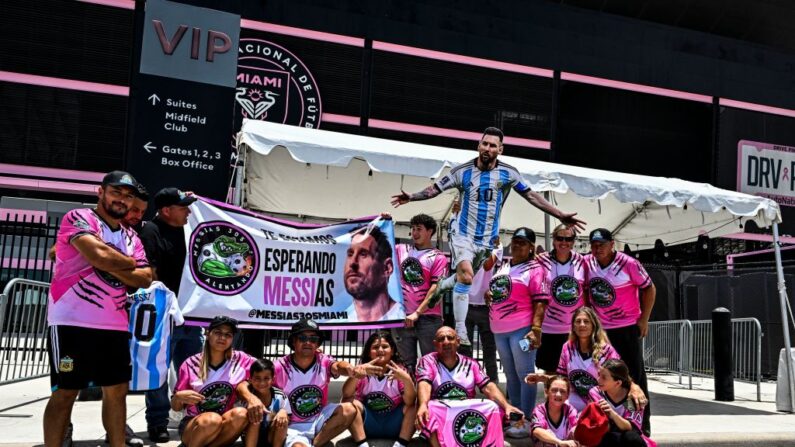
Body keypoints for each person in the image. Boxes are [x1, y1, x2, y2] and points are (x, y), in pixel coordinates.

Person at [391, 126, 585, 346]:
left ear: (500, 149)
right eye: (484, 143)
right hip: (462, 235)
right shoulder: (462, 172)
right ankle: (461, 331)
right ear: (478, 146)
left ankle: (448, 283)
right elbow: (435, 188)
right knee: (466, 276)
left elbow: (531, 196)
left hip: (487, 241)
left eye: (493, 145)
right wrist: (412, 197)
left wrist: (560, 214)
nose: (487, 148)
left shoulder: (508, 174)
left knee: (464, 278)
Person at [44, 170, 152, 447]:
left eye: (128, 196)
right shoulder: (79, 218)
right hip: (71, 322)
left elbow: (146, 278)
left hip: (114, 325)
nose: (122, 200)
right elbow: (98, 256)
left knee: (117, 392)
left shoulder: (131, 236)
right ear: (100, 192)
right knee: (65, 393)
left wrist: (114, 262)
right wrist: (128, 263)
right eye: (116, 192)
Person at [137, 187, 199, 442]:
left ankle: (191, 416)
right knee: (158, 372)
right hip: (164, 314)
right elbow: (150, 272)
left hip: (190, 315)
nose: (189, 210)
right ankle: (158, 421)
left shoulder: (188, 229)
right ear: (165, 211)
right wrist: (165, 305)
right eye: (183, 206)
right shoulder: (151, 230)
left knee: (193, 369)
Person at [585, 228, 655, 434]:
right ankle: (610, 421)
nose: (598, 249)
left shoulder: (628, 263)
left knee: (634, 376)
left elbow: (649, 288)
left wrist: (644, 319)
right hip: (602, 330)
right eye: (594, 245)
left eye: (602, 244)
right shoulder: (588, 262)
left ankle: (642, 427)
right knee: (604, 375)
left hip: (626, 328)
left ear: (612, 244)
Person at [272, 318, 381, 447]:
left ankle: (315, 443)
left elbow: (338, 366)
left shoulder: (322, 360)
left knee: (348, 409)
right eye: (302, 338)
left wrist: (351, 369)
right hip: (292, 425)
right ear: (293, 341)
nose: (308, 342)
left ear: (318, 344)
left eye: (313, 339)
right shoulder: (279, 367)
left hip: (318, 419)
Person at [486, 227, 548, 437]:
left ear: (531, 247)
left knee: (525, 375)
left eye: (523, 242)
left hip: (521, 330)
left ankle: (527, 420)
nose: (517, 245)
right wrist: (489, 294)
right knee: (510, 375)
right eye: (515, 241)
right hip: (499, 330)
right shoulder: (504, 265)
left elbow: (540, 301)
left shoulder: (535, 268)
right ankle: (515, 416)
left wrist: (536, 328)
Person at [416, 326, 522, 447]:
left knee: (493, 406)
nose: (446, 342)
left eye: (450, 338)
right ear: (435, 344)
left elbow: (488, 387)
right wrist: (423, 404)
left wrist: (507, 405)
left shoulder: (471, 364)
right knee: (430, 407)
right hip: (442, 409)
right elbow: (424, 383)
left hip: (466, 408)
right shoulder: (427, 361)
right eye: (441, 339)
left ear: (458, 342)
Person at [525, 307, 645, 412]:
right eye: (578, 321)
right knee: (556, 405)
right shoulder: (568, 348)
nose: (582, 325)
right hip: (577, 397)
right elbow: (564, 379)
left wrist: (634, 387)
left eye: (586, 321)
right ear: (573, 326)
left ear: (594, 325)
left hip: (603, 400)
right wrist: (542, 378)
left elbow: (622, 376)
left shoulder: (606, 350)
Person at [171, 316, 255, 447]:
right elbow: (176, 408)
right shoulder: (191, 364)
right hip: (194, 424)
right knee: (211, 419)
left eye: (228, 335)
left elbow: (268, 370)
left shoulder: (240, 359)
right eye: (218, 332)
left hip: (223, 423)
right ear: (207, 333)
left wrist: (246, 389)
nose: (222, 337)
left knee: (241, 414)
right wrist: (177, 397)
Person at [392, 214, 448, 373]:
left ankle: (429, 397)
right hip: (402, 317)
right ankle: (409, 397)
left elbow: (436, 287)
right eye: (413, 229)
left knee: (431, 363)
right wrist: (386, 221)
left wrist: (417, 312)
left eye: (419, 229)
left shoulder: (438, 257)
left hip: (428, 318)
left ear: (430, 231)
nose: (415, 233)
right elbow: (379, 243)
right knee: (406, 364)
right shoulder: (401, 249)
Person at [342, 331, 417, 447]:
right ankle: (362, 444)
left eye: (385, 346)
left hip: (394, 425)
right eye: (375, 347)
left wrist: (407, 380)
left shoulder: (400, 370)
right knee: (349, 403)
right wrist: (356, 375)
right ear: (368, 352)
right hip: (369, 423)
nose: (380, 350)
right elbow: (346, 394)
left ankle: (401, 444)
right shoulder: (363, 369)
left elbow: (410, 402)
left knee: (415, 406)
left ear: (392, 351)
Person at [535, 224, 587, 373]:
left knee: (572, 370)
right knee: (550, 370)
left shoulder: (582, 261)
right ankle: (550, 397)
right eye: (560, 238)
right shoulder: (541, 261)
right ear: (553, 239)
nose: (564, 242)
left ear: (574, 241)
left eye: (569, 239)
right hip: (549, 327)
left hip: (574, 328)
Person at [344, 225, 404, 322]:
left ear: (387, 268)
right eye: (350, 254)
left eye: (363, 254)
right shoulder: (336, 322)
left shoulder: (403, 318)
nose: (352, 262)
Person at [589, 359, 654, 447]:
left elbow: (631, 427)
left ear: (617, 383)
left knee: (632, 437)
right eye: (599, 375)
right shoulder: (596, 392)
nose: (598, 380)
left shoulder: (631, 397)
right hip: (609, 436)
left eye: (604, 377)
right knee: (605, 438)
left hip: (626, 438)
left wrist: (612, 414)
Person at [240, 359, 291, 447]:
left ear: (273, 379)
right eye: (257, 378)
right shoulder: (246, 396)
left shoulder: (280, 396)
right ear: (250, 379)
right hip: (250, 435)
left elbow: (289, 418)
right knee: (256, 417)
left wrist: (283, 412)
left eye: (266, 378)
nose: (262, 382)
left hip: (271, 435)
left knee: (282, 420)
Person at [529, 376, 580, 447]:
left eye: (562, 391)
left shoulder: (570, 410)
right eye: (554, 390)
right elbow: (536, 431)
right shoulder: (540, 410)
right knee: (548, 433)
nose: (558, 394)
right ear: (546, 392)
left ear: (567, 396)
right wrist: (559, 442)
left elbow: (576, 430)